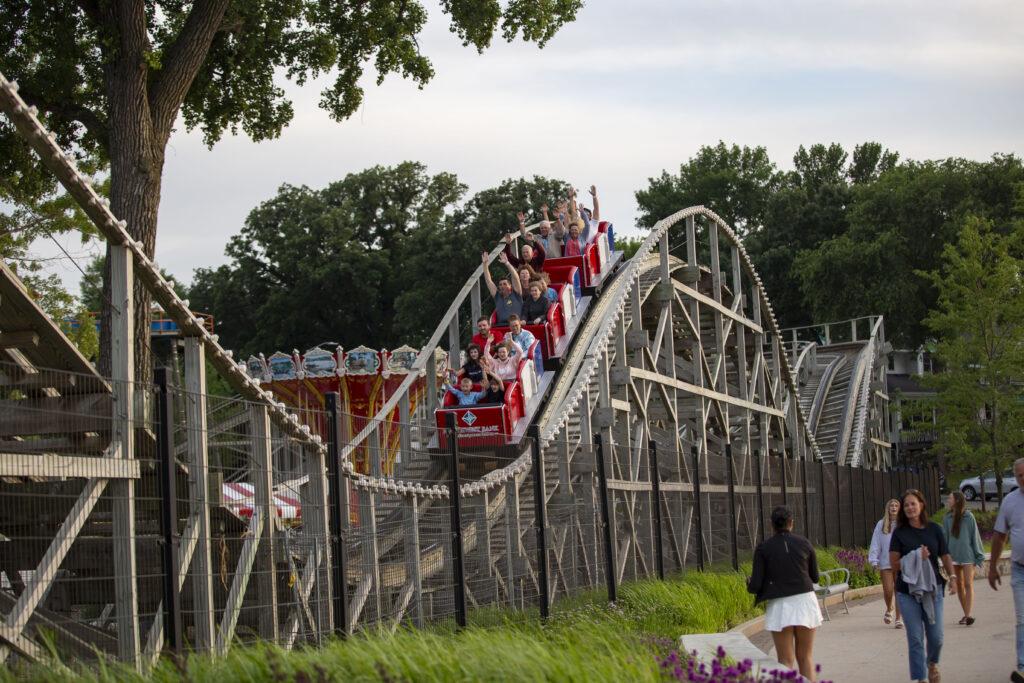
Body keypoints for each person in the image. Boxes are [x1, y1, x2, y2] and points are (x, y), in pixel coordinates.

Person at [747, 506, 822, 681]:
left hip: (780, 606)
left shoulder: (763, 548)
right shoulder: (805, 543)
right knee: (806, 658)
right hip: (805, 602)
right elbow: (815, 577)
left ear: (771, 525)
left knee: (785, 661)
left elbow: (756, 585)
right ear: (791, 523)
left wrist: (749, 584)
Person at [889, 489, 957, 683]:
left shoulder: (934, 529)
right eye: (907, 505)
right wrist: (915, 557)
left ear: (922, 505)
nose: (910, 508)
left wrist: (952, 576)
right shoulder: (899, 533)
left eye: (913, 503)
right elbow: (894, 564)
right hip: (907, 591)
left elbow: (945, 554)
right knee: (916, 638)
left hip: (932, 589)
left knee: (937, 637)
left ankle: (933, 663)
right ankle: (921, 678)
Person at [988, 457, 1024, 683]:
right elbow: (1000, 536)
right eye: (1019, 475)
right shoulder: (1010, 501)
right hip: (1020, 570)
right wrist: (992, 567)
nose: (1023, 479)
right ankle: (1023, 666)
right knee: (1023, 619)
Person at [942, 490, 985, 626]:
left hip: (968, 556)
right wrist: (944, 556)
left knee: (968, 583)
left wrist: (979, 556)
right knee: (959, 585)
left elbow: (975, 536)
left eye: (950, 499)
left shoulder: (969, 516)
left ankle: (968, 615)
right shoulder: (947, 518)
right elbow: (945, 538)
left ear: (957, 500)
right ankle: (966, 614)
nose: (948, 501)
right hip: (953, 556)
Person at [869, 498, 904, 628]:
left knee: (899, 590)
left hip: (900, 563)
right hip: (885, 563)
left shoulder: (903, 525)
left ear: (899, 509)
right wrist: (874, 560)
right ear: (888, 509)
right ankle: (890, 608)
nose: (894, 507)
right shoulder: (881, 524)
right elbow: (875, 543)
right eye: (891, 505)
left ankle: (899, 618)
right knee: (888, 590)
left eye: (896, 505)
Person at [482, 251, 522, 325]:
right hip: (502, 326)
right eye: (500, 285)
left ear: (510, 286)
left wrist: (507, 263)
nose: (502, 286)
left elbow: (516, 277)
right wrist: (485, 264)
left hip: (518, 325)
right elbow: (488, 281)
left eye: (504, 284)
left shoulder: (516, 293)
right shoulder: (497, 296)